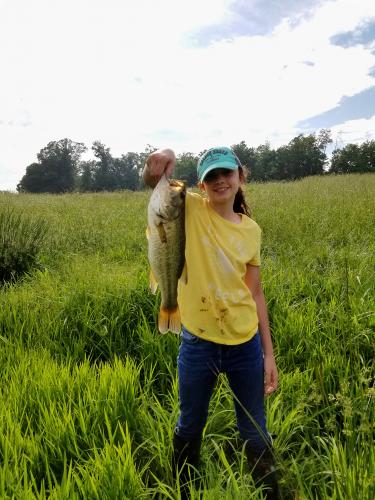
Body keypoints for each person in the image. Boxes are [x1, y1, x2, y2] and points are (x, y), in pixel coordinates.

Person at [143, 147, 280, 499]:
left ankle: (269, 491)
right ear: (202, 186)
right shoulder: (186, 208)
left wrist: (268, 354)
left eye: (226, 174)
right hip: (198, 342)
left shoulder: (252, 231)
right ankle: (182, 490)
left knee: (253, 430)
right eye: (211, 177)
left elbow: (256, 294)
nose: (220, 181)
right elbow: (153, 181)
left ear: (240, 178)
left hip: (244, 344)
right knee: (190, 423)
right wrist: (163, 156)